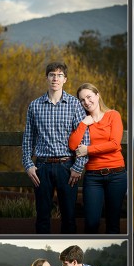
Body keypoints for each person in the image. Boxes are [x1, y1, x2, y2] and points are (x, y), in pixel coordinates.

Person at [21, 62, 89, 234]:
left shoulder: (75, 105)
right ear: (47, 78)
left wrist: (78, 167)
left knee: (69, 217)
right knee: (42, 217)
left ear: (65, 79)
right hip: (41, 167)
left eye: (59, 75)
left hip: (67, 167)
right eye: (52, 74)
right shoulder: (35, 106)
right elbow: (28, 138)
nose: (55, 78)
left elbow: (84, 138)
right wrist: (28, 165)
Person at [68, 83, 127, 234]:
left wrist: (88, 150)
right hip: (93, 177)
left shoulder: (113, 115)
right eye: (82, 100)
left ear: (97, 95)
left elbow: (114, 144)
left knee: (113, 223)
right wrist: (83, 124)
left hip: (117, 175)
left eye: (89, 97)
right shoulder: (84, 121)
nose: (86, 102)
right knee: (92, 222)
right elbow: (73, 145)